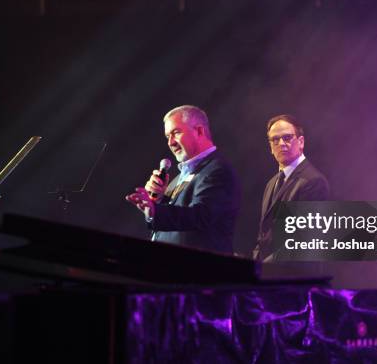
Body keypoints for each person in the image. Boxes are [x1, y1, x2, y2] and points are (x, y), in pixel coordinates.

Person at [126, 105, 240, 254]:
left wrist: (156, 212)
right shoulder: (180, 178)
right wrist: (158, 200)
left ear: (199, 131)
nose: (170, 142)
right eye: (168, 136)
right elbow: (175, 218)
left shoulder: (218, 170)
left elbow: (201, 215)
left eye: (176, 133)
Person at [252, 114, 329, 262]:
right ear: (270, 147)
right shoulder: (271, 183)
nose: (281, 143)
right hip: (269, 276)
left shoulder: (314, 182)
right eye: (275, 139)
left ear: (301, 142)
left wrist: (262, 268)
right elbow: (263, 236)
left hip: (295, 277)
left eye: (287, 138)